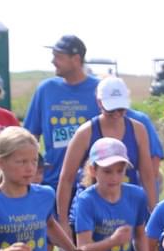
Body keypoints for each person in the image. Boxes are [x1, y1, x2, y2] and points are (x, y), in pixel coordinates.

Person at [56, 76, 157, 224]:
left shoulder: (138, 130)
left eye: (121, 109)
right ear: (99, 102)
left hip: (126, 211)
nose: (116, 114)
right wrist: (63, 222)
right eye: (111, 109)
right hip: (91, 213)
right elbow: (66, 178)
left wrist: (153, 214)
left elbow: (147, 176)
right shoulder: (85, 133)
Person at [23, 35, 99, 190]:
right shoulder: (46, 89)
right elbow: (29, 137)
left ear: (76, 59)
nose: (53, 61)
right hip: (52, 181)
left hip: (90, 184)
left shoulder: (99, 89)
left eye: (59, 57)